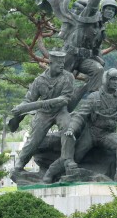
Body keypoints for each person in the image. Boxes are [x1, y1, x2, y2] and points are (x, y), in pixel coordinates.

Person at [9, 51, 74, 180]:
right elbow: (28, 100)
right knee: (34, 139)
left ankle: (68, 161)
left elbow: (65, 99)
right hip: (43, 113)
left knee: (68, 128)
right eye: (58, 63)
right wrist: (20, 110)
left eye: (63, 63)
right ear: (50, 63)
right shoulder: (39, 80)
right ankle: (20, 164)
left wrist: (41, 103)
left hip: (60, 111)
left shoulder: (68, 77)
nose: (61, 65)